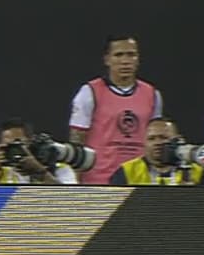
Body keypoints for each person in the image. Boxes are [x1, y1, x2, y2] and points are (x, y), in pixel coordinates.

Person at [69, 35, 164, 184]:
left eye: (131, 55)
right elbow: (77, 140)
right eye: (119, 55)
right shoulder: (89, 92)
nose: (125, 61)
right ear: (107, 59)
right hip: (99, 181)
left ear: (138, 59)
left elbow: (156, 139)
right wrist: (75, 182)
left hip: (140, 181)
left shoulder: (152, 94)